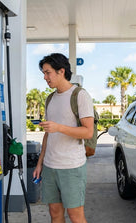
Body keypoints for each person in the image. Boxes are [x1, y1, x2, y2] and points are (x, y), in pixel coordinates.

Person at [33, 53, 94, 223]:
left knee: (76, 216)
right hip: (50, 166)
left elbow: (88, 132)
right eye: (43, 73)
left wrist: (58, 127)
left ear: (61, 71)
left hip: (72, 167)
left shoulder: (80, 95)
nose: (45, 77)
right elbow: (48, 134)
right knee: (55, 213)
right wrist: (40, 163)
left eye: (47, 72)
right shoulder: (50, 98)